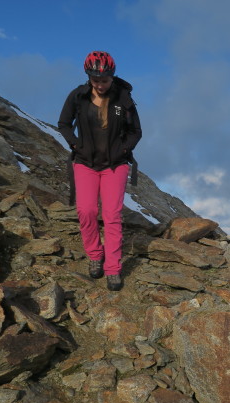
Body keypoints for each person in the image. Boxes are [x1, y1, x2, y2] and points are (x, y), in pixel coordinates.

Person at [58, 51, 142, 291]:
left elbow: (136, 131)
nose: (101, 84)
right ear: (89, 77)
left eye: (105, 80)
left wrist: (123, 150)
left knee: (112, 215)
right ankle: (95, 254)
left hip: (115, 165)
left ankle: (113, 268)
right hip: (85, 162)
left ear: (112, 77)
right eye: (96, 80)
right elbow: (63, 124)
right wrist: (75, 144)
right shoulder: (77, 96)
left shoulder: (123, 99)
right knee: (86, 211)